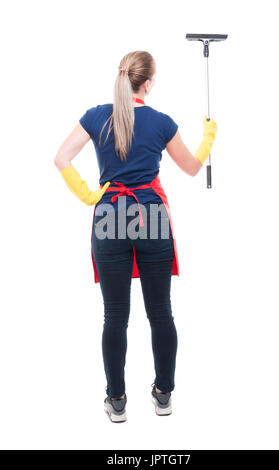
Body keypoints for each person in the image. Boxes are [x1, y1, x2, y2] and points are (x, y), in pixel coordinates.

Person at [54, 50, 217, 423]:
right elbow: (191, 167)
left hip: (109, 213)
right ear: (147, 82)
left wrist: (88, 194)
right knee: (161, 313)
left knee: (115, 317)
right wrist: (208, 137)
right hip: (152, 216)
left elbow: (61, 157)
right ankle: (163, 395)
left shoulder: (96, 116)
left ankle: (117, 400)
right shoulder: (160, 122)